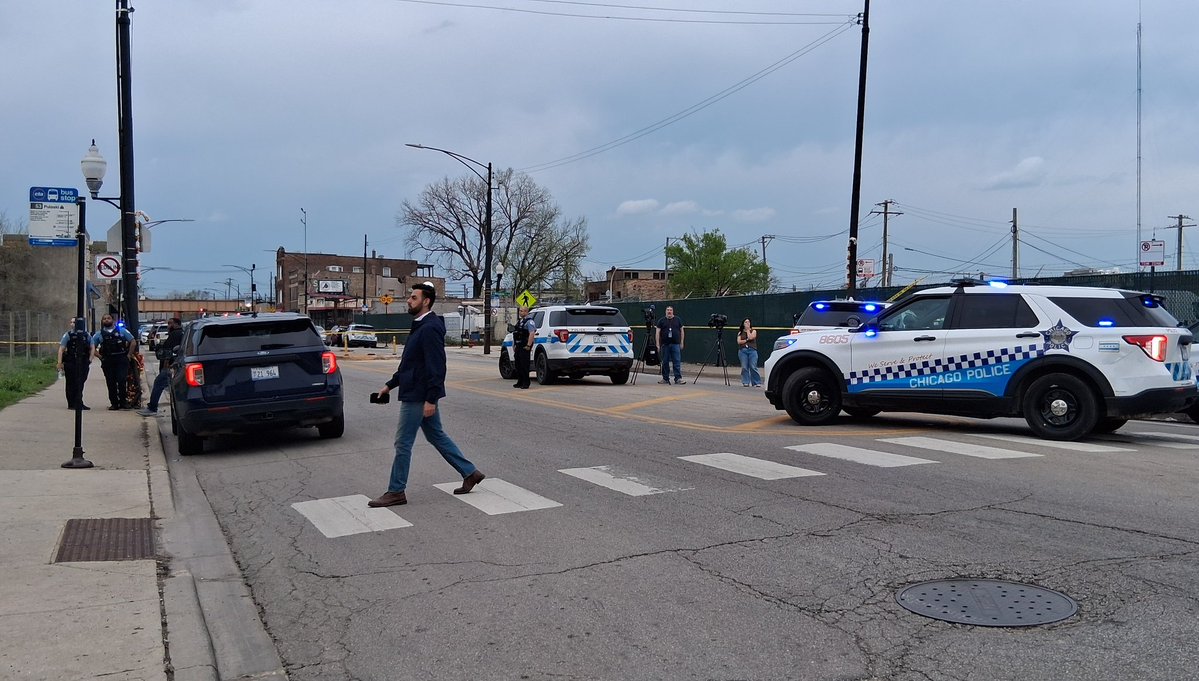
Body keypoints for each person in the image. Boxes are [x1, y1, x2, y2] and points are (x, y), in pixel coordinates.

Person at [369, 282, 485, 508]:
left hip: (418, 395)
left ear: (426, 301)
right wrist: (390, 385)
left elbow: (437, 366)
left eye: (413, 298)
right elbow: (410, 365)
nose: (409, 301)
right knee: (436, 436)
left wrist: (431, 399)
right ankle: (470, 472)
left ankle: (396, 491)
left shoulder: (430, 327)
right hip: (415, 391)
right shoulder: (421, 325)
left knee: (403, 443)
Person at [138, 317, 183, 417]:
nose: (168, 326)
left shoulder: (175, 335)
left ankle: (152, 408)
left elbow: (169, 351)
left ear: (176, 324)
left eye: (170, 323)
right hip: (175, 366)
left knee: (158, 384)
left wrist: (166, 364)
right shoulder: (180, 334)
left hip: (169, 366)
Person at [92, 314, 136, 410]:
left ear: (113, 320)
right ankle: (114, 403)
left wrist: (129, 355)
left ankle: (123, 402)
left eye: (108, 318)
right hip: (108, 360)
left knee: (121, 380)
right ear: (102, 321)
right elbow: (92, 347)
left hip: (121, 359)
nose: (106, 320)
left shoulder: (122, 331)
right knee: (110, 382)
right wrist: (100, 357)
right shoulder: (99, 334)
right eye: (104, 319)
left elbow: (133, 341)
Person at [57, 318, 92, 410]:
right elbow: (61, 349)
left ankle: (79, 402)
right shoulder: (68, 335)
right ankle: (72, 403)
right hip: (71, 361)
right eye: (71, 322)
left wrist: (90, 360)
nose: (72, 324)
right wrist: (59, 362)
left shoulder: (86, 335)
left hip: (83, 361)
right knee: (71, 383)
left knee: (80, 382)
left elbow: (92, 347)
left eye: (74, 322)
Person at [655, 305, 684, 384]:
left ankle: (678, 378)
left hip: (675, 344)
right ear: (665, 312)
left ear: (673, 311)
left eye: (670, 310)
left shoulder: (678, 320)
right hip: (665, 345)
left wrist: (682, 342)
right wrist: (657, 344)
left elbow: (682, 331)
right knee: (665, 362)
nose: (669, 311)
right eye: (667, 310)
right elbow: (657, 332)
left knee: (677, 361)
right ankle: (665, 378)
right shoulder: (661, 321)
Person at [512, 305, 536, 389]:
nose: (521, 312)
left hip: (525, 345)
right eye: (520, 311)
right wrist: (514, 345)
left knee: (524, 364)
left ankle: (526, 382)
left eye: (522, 311)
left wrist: (528, 345)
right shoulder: (520, 321)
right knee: (518, 364)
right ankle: (520, 381)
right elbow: (516, 333)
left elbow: (531, 333)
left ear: (526, 312)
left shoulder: (529, 322)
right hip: (518, 345)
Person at [737, 318, 762, 388]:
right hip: (743, 351)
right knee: (744, 367)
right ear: (743, 324)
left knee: (753, 366)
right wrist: (746, 340)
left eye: (748, 322)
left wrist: (748, 330)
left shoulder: (753, 331)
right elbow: (739, 342)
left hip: (752, 351)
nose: (747, 323)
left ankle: (756, 382)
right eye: (745, 322)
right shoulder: (740, 332)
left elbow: (751, 337)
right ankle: (746, 382)